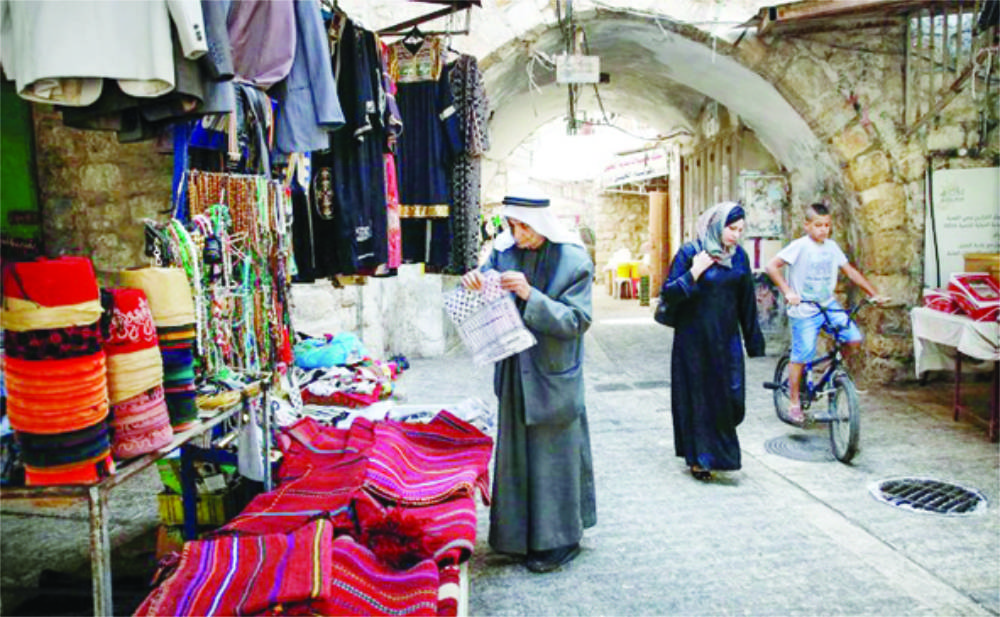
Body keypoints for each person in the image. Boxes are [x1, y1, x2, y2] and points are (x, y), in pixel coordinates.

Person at [461, 190, 596, 574]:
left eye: (523, 226)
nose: (517, 234)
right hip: (515, 371)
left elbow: (576, 322)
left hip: (553, 373)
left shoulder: (573, 260)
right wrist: (474, 282)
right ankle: (517, 539)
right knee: (517, 456)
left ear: (541, 224)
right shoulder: (503, 253)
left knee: (555, 458)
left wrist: (529, 294)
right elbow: (483, 294)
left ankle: (560, 540)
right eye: (512, 226)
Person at [661, 201, 765, 480]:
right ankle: (701, 459)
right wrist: (694, 272)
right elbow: (668, 294)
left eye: (741, 230)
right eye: (732, 228)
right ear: (717, 225)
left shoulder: (739, 257)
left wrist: (754, 343)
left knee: (732, 398)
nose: (735, 235)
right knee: (698, 399)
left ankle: (714, 451)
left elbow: (747, 303)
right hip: (693, 341)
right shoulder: (690, 252)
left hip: (727, 339)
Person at [765, 202, 889, 424]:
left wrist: (874, 293)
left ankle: (837, 378)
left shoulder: (831, 247)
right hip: (804, 309)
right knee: (803, 355)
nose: (823, 229)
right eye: (818, 225)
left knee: (853, 338)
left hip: (828, 304)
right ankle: (794, 402)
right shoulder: (799, 246)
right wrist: (788, 291)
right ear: (807, 225)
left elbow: (849, 271)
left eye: (827, 225)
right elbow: (772, 266)